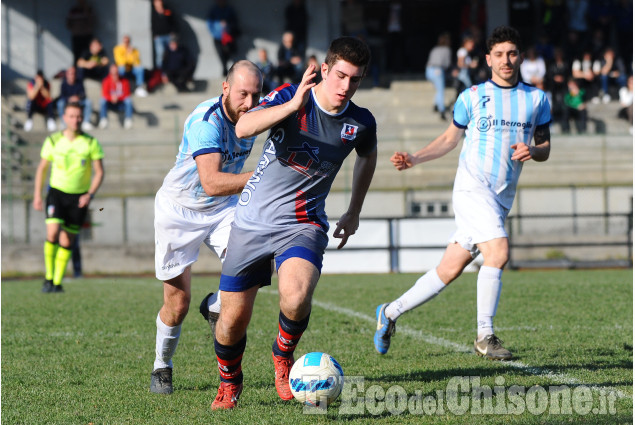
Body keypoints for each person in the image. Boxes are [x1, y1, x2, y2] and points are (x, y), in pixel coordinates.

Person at [208, 36, 377, 410]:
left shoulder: (360, 122)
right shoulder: (291, 95)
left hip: (303, 222)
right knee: (232, 320)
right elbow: (243, 127)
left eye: (356, 79)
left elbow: (368, 156)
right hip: (252, 221)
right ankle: (230, 381)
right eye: (341, 76)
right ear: (326, 70)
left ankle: (283, 358)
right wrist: (293, 105)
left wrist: (354, 211)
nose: (346, 87)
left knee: (297, 295)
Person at [374, 26, 551, 361]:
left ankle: (389, 312)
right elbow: (449, 139)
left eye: (512, 53)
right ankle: (485, 336)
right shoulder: (472, 96)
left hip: (500, 199)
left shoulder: (537, 99)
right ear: (488, 59)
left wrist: (533, 150)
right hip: (472, 188)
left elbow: (545, 147)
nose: (506, 60)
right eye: (498, 54)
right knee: (497, 253)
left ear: (521, 57)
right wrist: (415, 157)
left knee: (449, 269)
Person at [149, 60, 263, 395]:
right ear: (225, 88)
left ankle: (214, 305)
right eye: (243, 93)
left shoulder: (254, 113)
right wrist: (261, 179)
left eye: (256, 95)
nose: (250, 103)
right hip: (179, 210)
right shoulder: (206, 120)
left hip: (223, 210)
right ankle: (161, 366)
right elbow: (211, 182)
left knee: (257, 263)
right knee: (177, 304)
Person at [32, 102, 104, 293]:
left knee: (66, 241)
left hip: (78, 198)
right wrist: (37, 195)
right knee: (52, 233)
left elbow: (99, 172)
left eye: (79, 116)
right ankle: (48, 278)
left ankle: (57, 283)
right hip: (56, 193)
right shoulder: (53, 141)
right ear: (64, 118)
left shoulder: (90, 142)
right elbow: (42, 168)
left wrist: (90, 194)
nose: (76, 120)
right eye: (72, 116)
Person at [207, 0, 240, 77]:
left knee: (228, 52)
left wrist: (228, 25)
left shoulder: (229, 10)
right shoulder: (214, 10)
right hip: (218, 37)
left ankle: (227, 69)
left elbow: (234, 21)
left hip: (228, 37)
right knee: (221, 53)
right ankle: (224, 68)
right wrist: (215, 32)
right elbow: (209, 23)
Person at [56, 66, 94, 131]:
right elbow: (62, 96)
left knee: (88, 102)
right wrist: (69, 98)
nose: (72, 75)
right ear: (67, 75)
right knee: (60, 103)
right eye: (70, 73)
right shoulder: (63, 83)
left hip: (78, 101)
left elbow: (83, 94)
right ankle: (64, 123)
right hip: (67, 102)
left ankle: (86, 122)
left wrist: (78, 97)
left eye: (73, 73)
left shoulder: (79, 82)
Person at [425, 32, 452, 121]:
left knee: (438, 89)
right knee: (441, 90)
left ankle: (436, 105)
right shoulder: (447, 50)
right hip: (437, 70)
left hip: (428, 69)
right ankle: (442, 111)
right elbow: (447, 64)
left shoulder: (435, 49)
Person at [99, 63, 134, 129]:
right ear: (110, 72)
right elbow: (105, 94)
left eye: (116, 72)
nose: (115, 74)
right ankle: (103, 120)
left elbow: (127, 94)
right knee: (102, 101)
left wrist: (118, 97)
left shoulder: (124, 81)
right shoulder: (106, 81)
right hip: (110, 104)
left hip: (121, 104)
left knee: (128, 100)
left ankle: (128, 120)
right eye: (113, 72)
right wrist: (111, 98)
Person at [151, 0, 177, 70]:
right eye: (157, 2)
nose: (159, 3)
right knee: (160, 54)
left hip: (168, 36)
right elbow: (152, 24)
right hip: (159, 37)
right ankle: (160, 72)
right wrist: (154, 34)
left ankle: (171, 70)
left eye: (160, 2)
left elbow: (173, 21)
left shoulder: (167, 10)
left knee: (171, 53)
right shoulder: (153, 12)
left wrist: (173, 33)